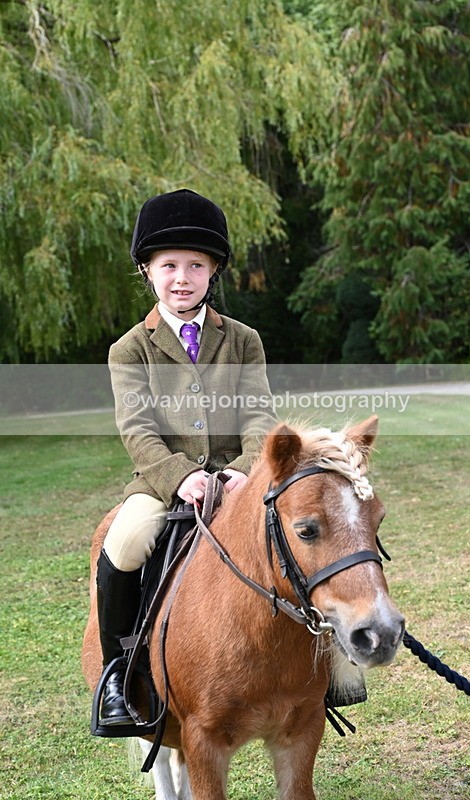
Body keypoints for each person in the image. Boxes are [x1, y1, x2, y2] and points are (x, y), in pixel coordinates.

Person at [96, 188, 276, 727]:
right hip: (162, 485)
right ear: (147, 272)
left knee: (304, 533)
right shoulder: (130, 349)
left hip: (239, 479)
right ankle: (118, 672)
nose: (182, 277)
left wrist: (245, 472)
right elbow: (138, 429)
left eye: (195, 266)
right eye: (168, 265)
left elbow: (260, 417)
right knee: (123, 545)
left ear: (212, 272)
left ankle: (329, 668)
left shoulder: (243, 340)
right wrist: (181, 479)